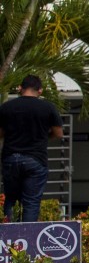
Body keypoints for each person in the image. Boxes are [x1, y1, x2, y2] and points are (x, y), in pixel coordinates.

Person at [0, 75, 64, 222]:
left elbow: (1, 133)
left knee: (10, 199)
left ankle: (7, 237)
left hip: (10, 158)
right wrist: (42, 136)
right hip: (36, 159)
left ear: (20, 89)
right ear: (40, 90)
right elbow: (59, 133)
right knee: (31, 203)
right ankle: (27, 239)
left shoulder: (6, 107)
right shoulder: (48, 108)